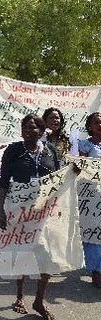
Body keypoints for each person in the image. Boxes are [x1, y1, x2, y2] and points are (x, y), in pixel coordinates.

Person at [0, 114, 60, 320]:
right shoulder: (14, 151)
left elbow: (58, 179)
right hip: (21, 211)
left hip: (45, 212)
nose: (27, 131)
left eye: (32, 128)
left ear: (41, 132)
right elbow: (4, 181)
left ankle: (39, 301)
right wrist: (1, 209)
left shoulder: (50, 151)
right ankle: (20, 295)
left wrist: (73, 173)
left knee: (48, 256)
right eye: (24, 127)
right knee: (23, 253)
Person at [78, 112, 101, 287]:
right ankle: (95, 271)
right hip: (90, 198)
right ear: (90, 127)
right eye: (97, 123)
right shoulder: (84, 146)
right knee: (92, 234)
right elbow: (77, 168)